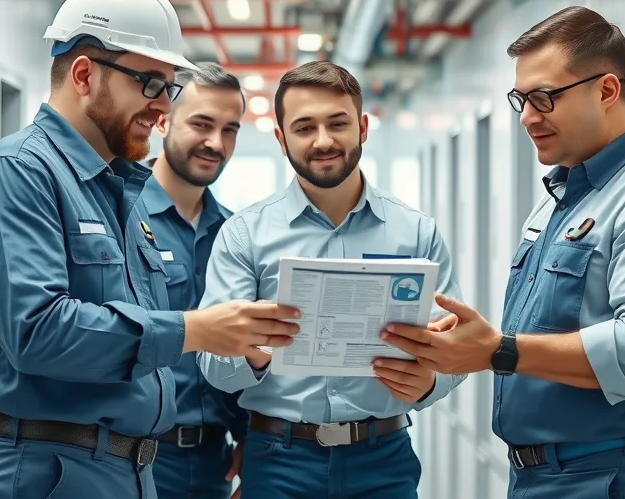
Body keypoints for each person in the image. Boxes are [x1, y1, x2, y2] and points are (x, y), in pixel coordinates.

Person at [0, 0, 299, 499]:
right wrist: (193, 330)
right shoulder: (15, 173)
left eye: (168, 86)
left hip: (127, 470)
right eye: (150, 83)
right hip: (50, 472)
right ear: (84, 74)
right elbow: (37, 332)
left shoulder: (117, 189)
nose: (162, 107)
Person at [381, 6, 625, 498]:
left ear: (607, 90)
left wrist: (497, 350)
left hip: (608, 477)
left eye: (543, 97)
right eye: (520, 99)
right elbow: (551, 330)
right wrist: (470, 343)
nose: (527, 117)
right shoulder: (564, 195)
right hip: (542, 476)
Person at [196, 60, 466, 499]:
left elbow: (457, 347)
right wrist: (258, 350)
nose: (323, 141)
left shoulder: (416, 233)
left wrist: (433, 381)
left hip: (384, 459)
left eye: (337, 123)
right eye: (304, 128)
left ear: (362, 127)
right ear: (282, 139)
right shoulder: (244, 234)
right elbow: (213, 366)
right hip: (279, 461)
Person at [125, 63, 250, 498]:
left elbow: (248, 350)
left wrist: (253, 441)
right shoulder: (122, 218)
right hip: (135, 458)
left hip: (216, 464)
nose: (215, 143)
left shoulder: (237, 235)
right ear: (162, 121)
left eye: (229, 129)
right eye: (202, 123)